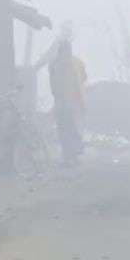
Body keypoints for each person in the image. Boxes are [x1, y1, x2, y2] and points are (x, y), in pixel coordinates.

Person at [35, 23, 87, 166]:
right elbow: (82, 80)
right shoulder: (77, 63)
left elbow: (54, 84)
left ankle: (69, 157)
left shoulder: (54, 64)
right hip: (73, 102)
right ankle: (73, 156)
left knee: (65, 130)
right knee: (72, 129)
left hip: (62, 102)